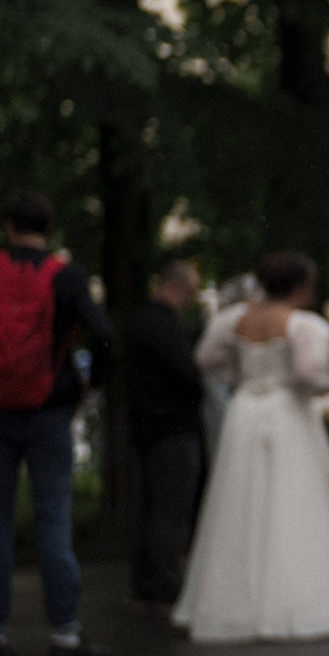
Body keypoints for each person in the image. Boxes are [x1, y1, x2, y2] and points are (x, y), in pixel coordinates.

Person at [0, 190, 117, 656]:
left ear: (8, 224)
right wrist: (88, 385)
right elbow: (103, 335)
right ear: (48, 225)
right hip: (48, 413)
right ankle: (64, 632)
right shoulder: (66, 277)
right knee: (53, 520)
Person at [175, 253, 329, 641]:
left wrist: (239, 378)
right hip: (288, 411)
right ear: (299, 288)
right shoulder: (302, 324)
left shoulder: (234, 319)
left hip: (244, 410)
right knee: (295, 502)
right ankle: (299, 601)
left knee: (238, 502)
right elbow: (311, 372)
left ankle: (232, 604)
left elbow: (205, 357)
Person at [121, 262, 206, 621]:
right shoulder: (164, 325)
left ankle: (144, 585)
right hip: (172, 429)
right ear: (178, 288)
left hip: (146, 429)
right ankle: (164, 587)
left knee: (150, 509)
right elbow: (188, 375)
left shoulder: (138, 323)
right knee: (169, 513)